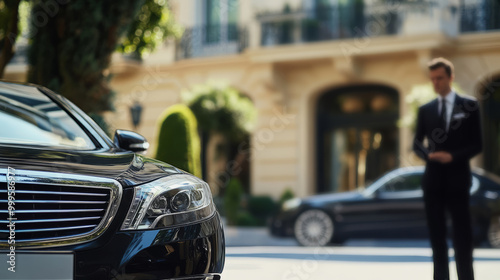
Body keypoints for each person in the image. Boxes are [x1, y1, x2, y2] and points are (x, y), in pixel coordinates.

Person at [413, 57, 482, 280]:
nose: (436, 83)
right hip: (432, 182)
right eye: (432, 79)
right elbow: (416, 143)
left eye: (440, 78)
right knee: (437, 238)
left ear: (451, 77)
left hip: (458, 181)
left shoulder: (469, 105)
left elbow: (477, 144)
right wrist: (428, 155)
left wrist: (452, 156)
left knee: (463, 237)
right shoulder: (425, 109)